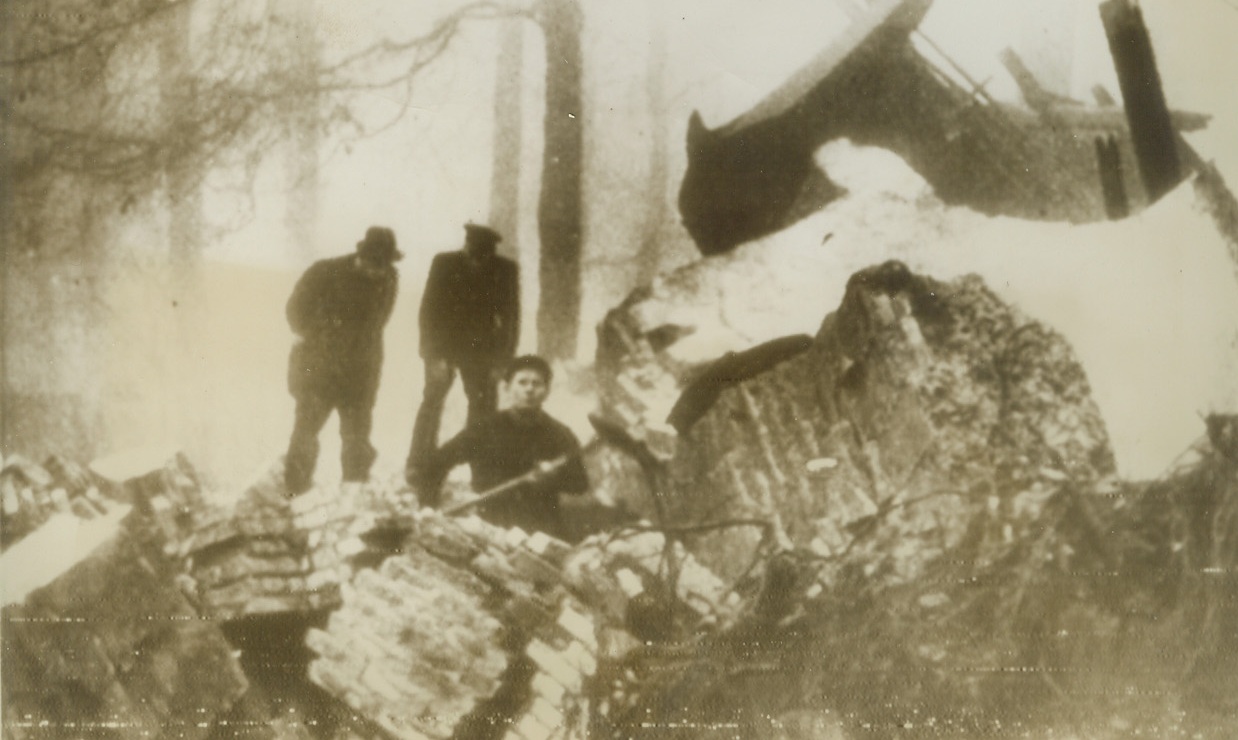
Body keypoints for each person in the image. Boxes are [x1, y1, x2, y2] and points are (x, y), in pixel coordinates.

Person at [283, 226, 401, 495]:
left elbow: (378, 324)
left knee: (357, 442)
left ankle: (353, 498)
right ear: (361, 256)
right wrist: (323, 340)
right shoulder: (324, 271)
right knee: (305, 435)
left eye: (383, 266)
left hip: (361, 374)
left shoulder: (390, 278)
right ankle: (295, 494)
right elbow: (294, 312)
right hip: (319, 371)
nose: (378, 272)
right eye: (374, 265)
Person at [418, 355, 589, 540]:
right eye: (522, 382)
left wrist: (552, 477)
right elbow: (437, 463)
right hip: (492, 524)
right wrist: (428, 505)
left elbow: (580, 484)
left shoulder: (560, 434)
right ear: (507, 388)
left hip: (541, 527)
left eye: (536, 383)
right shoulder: (485, 429)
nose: (529, 389)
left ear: (547, 391)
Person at [405, 222, 520, 482]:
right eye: (472, 253)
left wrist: (503, 362)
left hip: (483, 350)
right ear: (465, 245)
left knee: (483, 407)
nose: (476, 261)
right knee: (432, 402)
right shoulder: (444, 263)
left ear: (490, 253)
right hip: (443, 347)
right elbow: (428, 311)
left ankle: (482, 467)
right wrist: (432, 356)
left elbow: (511, 318)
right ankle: (418, 464)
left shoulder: (505, 270)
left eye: (482, 256)